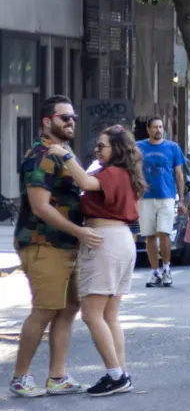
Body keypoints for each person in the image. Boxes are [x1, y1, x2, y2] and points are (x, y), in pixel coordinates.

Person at [9, 95, 99, 398]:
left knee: (69, 308)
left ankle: (57, 377)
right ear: (47, 121)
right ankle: (20, 377)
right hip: (42, 242)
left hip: (68, 244)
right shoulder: (40, 155)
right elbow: (40, 207)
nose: (71, 121)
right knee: (45, 309)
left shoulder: (63, 152)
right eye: (64, 117)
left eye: (73, 117)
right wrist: (80, 232)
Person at [48, 125, 142, 396]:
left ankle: (115, 374)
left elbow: (86, 183)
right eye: (97, 145)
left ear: (118, 150)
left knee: (91, 314)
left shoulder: (112, 172)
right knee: (110, 315)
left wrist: (65, 156)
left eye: (102, 146)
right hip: (120, 240)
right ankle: (121, 372)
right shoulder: (125, 174)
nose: (97, 149)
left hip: (104, 240)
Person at [138, 116, 186, 288]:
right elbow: (133, 170)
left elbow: (179, 174)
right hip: (145, 197)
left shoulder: (172, 147)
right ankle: (154, 272)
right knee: (149, 235)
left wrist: (180, 199)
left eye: (161, 127)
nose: (159, 130)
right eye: (155, 127)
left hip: (167, 195)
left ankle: (166, 269)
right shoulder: (139, 147)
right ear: (148, 129)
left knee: (164, 232)